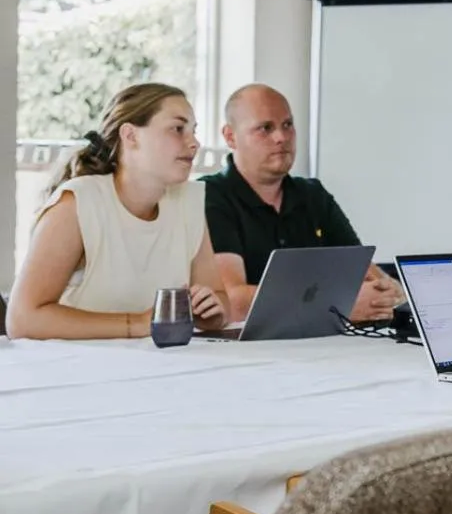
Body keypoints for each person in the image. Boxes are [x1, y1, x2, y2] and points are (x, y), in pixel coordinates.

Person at [8, 84, 228, 340]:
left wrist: (212, 313)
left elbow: (219, 298)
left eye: (193, 131)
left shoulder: (188, 201)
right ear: (130, 135)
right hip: (73, 362)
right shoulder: (77, 203)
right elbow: (22, 320)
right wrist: (138, 324)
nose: (194, 143)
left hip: (157, 360)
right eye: (178, 129)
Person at [201, 84, 403, 323]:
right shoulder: (210, 195)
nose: (281, 137)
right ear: (230, 136)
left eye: (287, 125)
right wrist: (336, 305)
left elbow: (363, 270)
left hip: (323, 340)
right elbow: (232, 302)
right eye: (265, 128)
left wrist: (390, 293)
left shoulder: (312, 194)